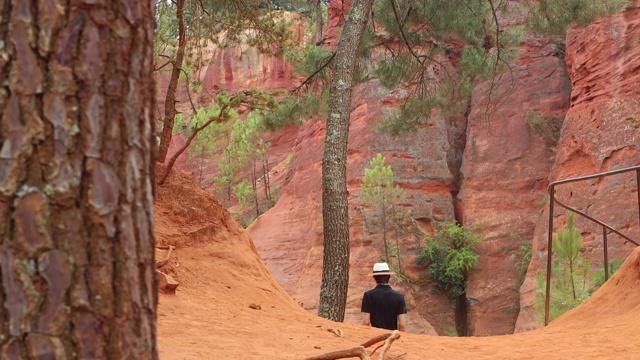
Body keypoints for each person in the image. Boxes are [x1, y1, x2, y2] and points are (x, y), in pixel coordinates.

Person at [361, 262, 407, 331]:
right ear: (389, 276)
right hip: (391, 336)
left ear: (374, 278)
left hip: (375, 337)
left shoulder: (368, 295)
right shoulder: (399, 296)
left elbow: (366, 322)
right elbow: (402, 324)